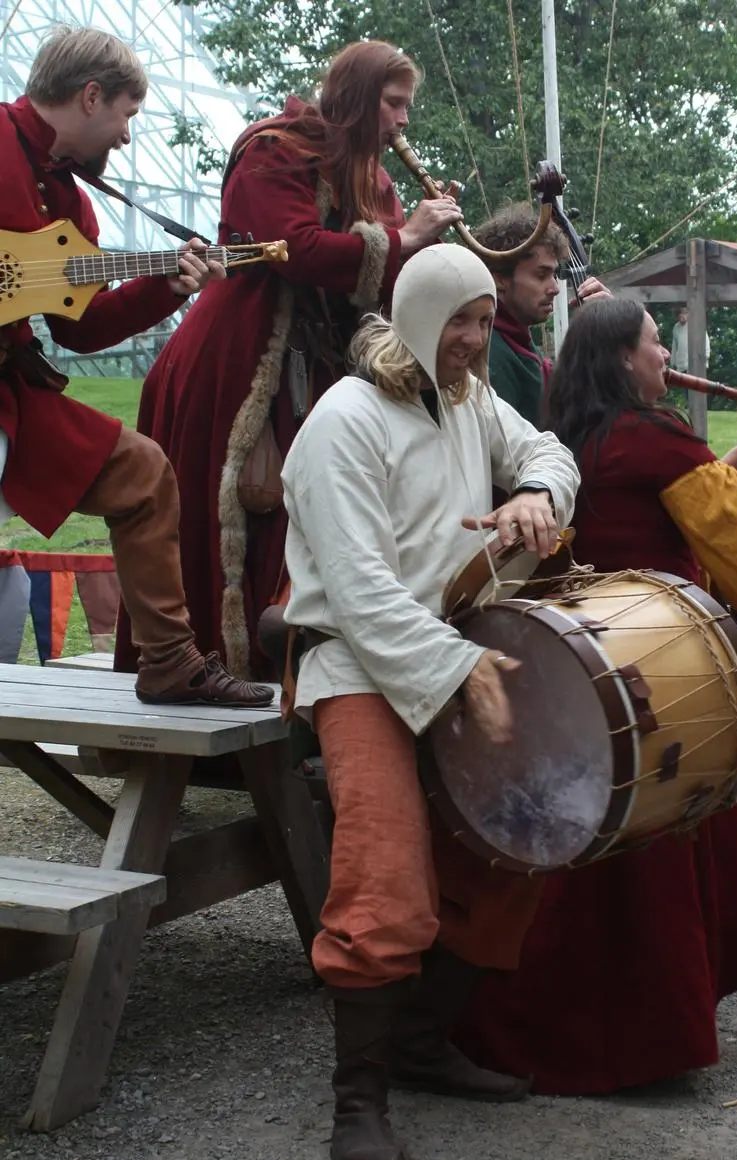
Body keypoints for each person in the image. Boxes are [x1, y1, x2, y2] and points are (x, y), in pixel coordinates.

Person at [454, 297, 737, 1094]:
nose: (667, 357)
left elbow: (674, 511)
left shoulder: (574, 439)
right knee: (655, 835)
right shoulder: (652, 435)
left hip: (593, 664)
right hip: (657, 673)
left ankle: (548, 1015)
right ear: (625, 357)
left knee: (585, 841)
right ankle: (638, 1038)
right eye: (658, 344)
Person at [280, 242, 579, 1160]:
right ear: (416, 317)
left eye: (486, 321)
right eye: (460, 321)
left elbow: (546, 449)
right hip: (359, 669)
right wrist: (458, 671)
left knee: (523, 841)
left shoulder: (466, 400)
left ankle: (416, 1043)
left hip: (450, 653)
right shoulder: (344, 420)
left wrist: (535, 492)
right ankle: (356, 1100)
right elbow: (362, 595)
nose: (476, 341)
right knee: (381, 880)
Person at [115, 40, 465, 681]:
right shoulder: (275, 149)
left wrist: (421, 253)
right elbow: (290, 249)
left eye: (407, 106)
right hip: (238, 361)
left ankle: (300, 700)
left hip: (323, 367)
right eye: (393, 104)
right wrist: (404, 237)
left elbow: (374, 285)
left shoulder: (376, 179)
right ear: (358, 98)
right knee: (235, 514)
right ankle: (209, 684)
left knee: (310, 518)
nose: (404, 121)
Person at [0, 27, 270, 705]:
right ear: (91, 97)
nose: (126, 136)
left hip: (10, 385)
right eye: (126, 114)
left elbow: (81, 329)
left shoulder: (72, 203)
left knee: (141, 471)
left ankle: (171, 662)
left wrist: (168, 286)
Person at [470, 201, 609, 427]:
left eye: (554, 274)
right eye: (541, 275)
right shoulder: (488, 353)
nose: (554, 287)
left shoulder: (519, 345)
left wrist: (613, 326)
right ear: (499, 279)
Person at [670, 304, 711, 374]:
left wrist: (705, 357)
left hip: (696, 364)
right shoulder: (676, 327)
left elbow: (705, 341)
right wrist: (673, 362)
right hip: (681, 365)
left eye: (684, 313)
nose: (682, 315)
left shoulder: (696, 324)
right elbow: (674, 346)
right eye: (680, 313)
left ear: (689, 314)